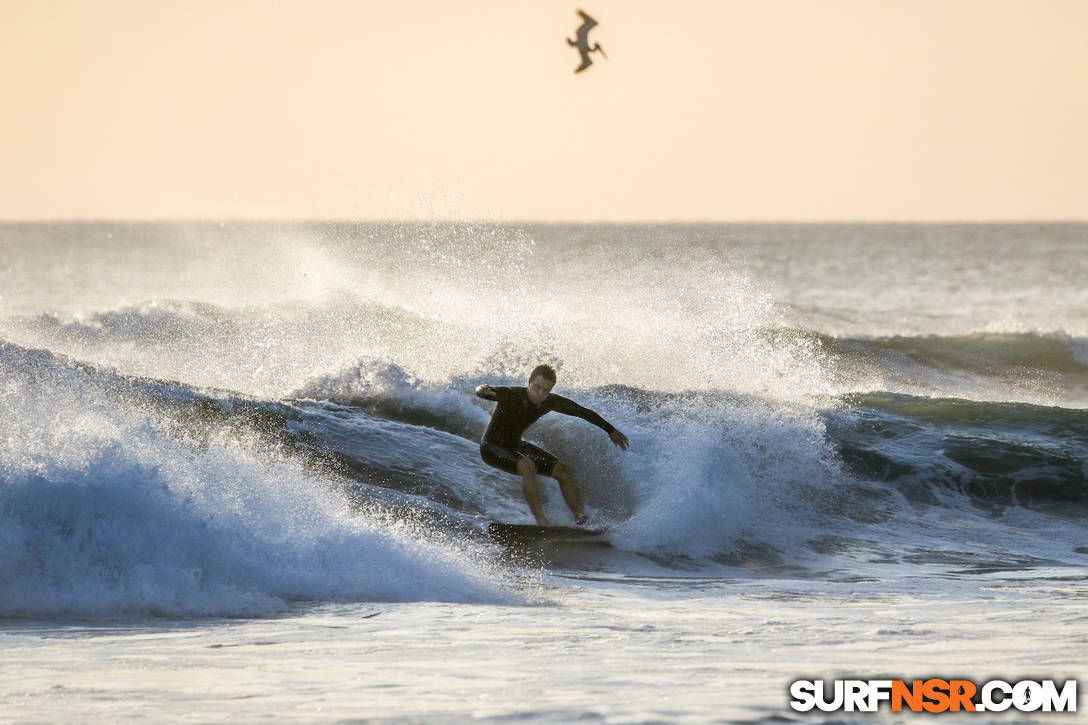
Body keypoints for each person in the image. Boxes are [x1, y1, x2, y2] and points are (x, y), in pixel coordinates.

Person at [476, 364, 629, 526]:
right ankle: (542, 522)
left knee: (563, 470)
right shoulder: (511, 394)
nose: (540, 393)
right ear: (529, 382)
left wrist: (610, 430)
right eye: (537, 387)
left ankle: (581, 519)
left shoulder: (549, 402)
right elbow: (483, 390)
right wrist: (483, 389)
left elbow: (581, 411)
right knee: (527, 466)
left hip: (515, 446)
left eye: (546, 390)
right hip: (491, 447)